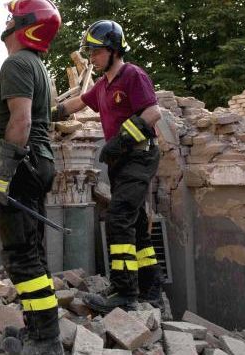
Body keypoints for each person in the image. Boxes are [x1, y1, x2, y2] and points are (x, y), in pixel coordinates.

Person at [53, 20, 164, 313]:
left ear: (114, 50)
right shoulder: (103, 85)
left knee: (118, 220)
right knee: (137, 226)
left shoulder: (132, 75)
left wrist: (124, 139)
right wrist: (52, 112)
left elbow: (153, 112)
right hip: (121, 162)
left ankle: (124, 292)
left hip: (138, 158)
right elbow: (78, 102)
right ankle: (152, 289)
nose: (92, 58)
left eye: (97, 52)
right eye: (90, 52)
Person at [0, 0, 63, 353]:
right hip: (36, 166)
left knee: (21, 256)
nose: (7, 22)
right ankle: (39, 331)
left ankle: (46, 341)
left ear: (25, 26)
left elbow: (22, 121)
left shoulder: (17, 63)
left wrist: (1, 175)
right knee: (33, 252)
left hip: (20, 168)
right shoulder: (37, 66)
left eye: (12, 17)